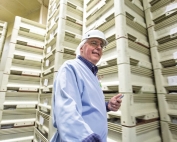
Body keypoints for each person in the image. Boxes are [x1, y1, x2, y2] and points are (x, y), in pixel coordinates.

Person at [51, 30, 122, 142]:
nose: (99, 47)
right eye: (94, 43)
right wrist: (84, 138)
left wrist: (108, 106)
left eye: (101, 46)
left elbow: (89, 106)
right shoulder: (70, 68)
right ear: (81, 48)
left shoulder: (93, 75)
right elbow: (66, 111)